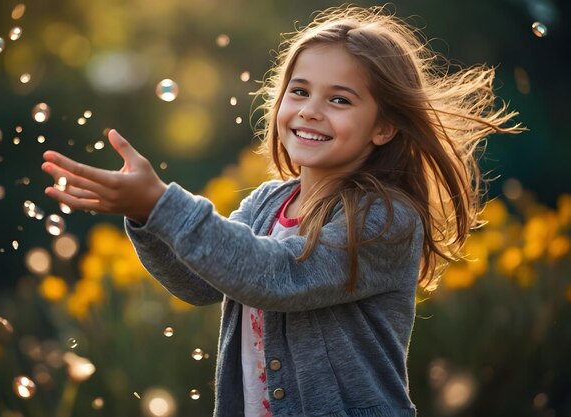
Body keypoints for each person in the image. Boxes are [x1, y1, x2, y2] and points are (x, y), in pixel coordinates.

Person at [41, 5, 523, 417]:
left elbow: (275, 276)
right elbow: (201, 283)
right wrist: (146, 218)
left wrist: (163, 203)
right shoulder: (269, 202)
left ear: (385, 127)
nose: (311, 110)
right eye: (300, 91)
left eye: (339, 99)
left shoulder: (383, 219)